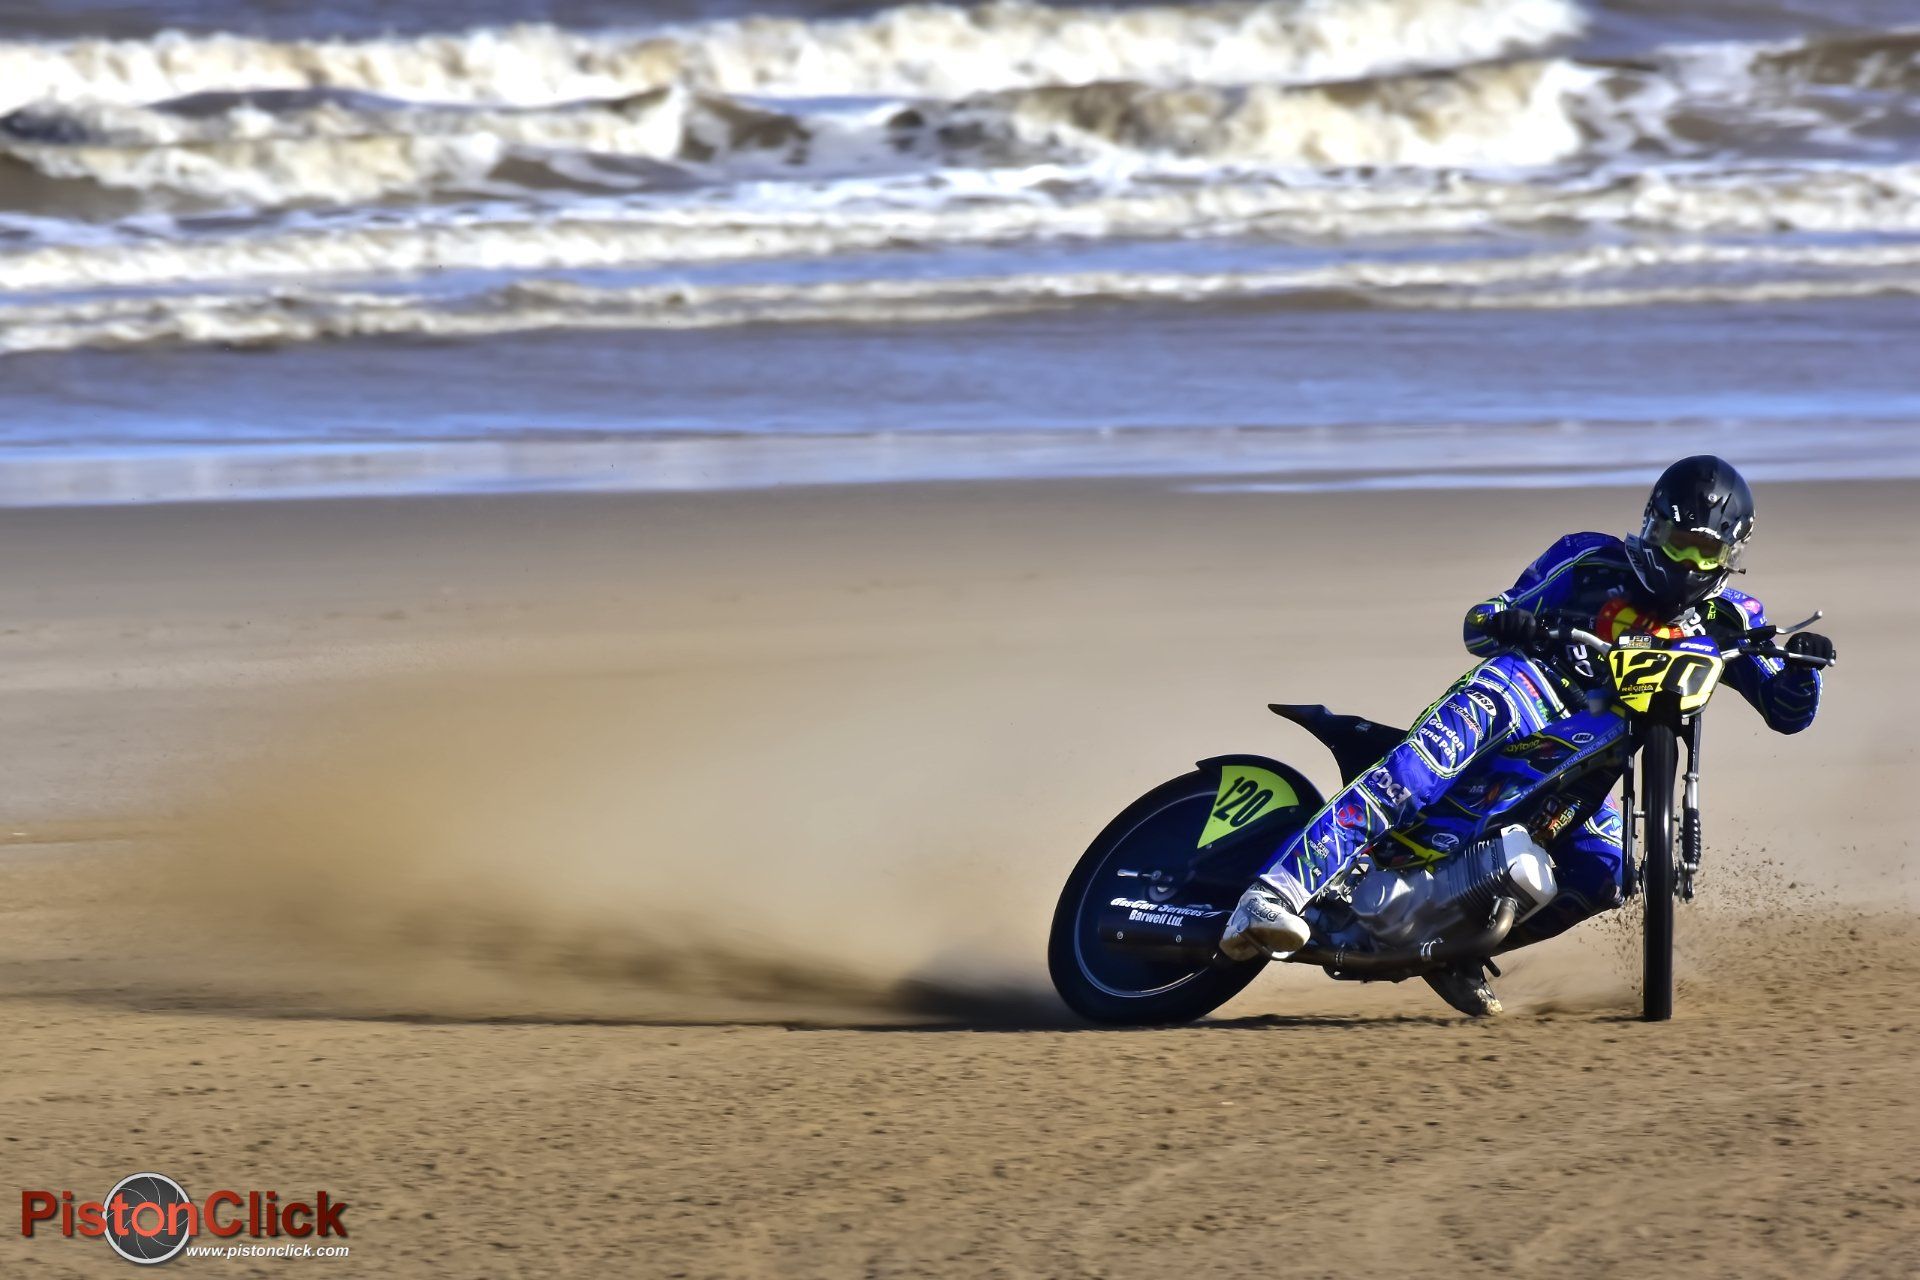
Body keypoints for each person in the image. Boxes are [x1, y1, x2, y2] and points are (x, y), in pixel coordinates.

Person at [1219, 456, 1835, 1015]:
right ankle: (1273, 890)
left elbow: (1787, 710)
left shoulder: (1733, 618)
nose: (1687, 563)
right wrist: (1513, 620)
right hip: (1525, 689)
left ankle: (1449, 947)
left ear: (1730, 552)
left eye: (1704, 551)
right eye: (1678, 542)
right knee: (1420, 768)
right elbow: (1480, 623)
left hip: (1596, 755)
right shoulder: (1588, 559)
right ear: (1651, 527)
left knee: (1610, 872)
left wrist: (1804, 672)